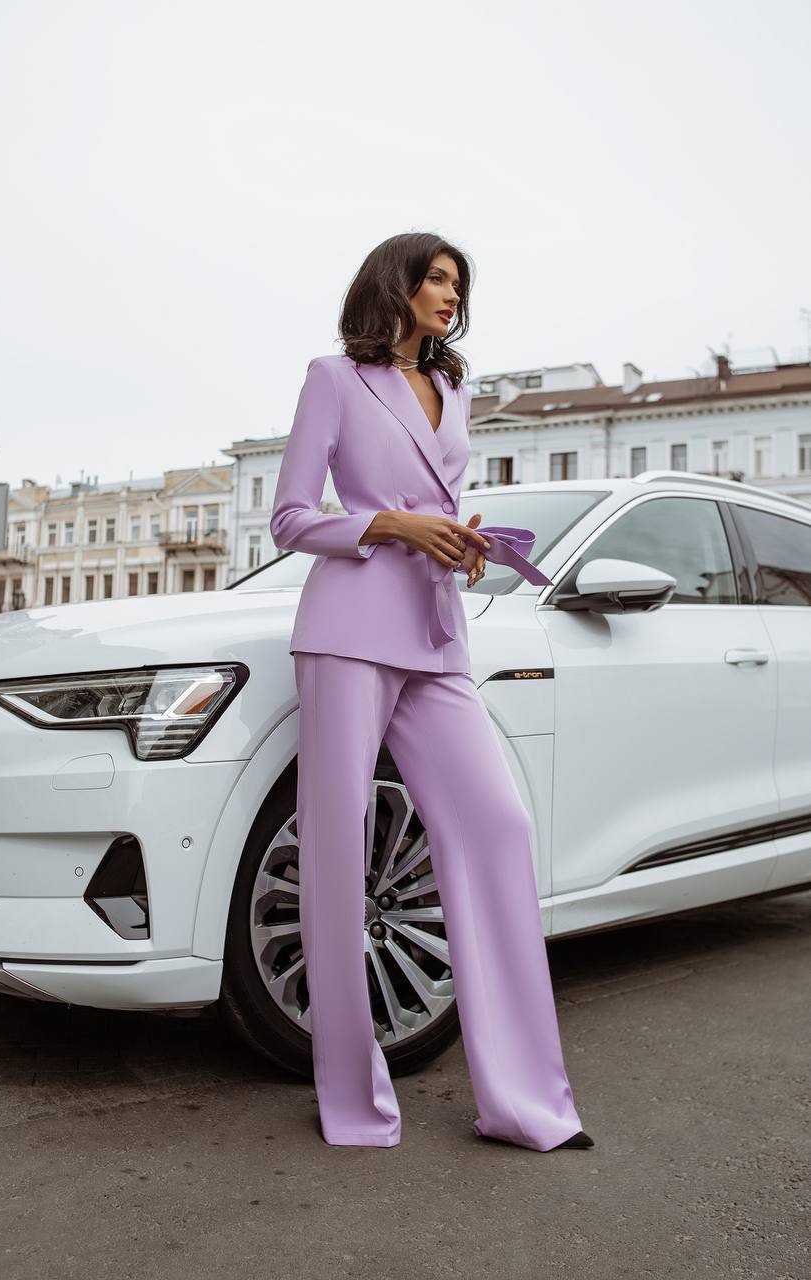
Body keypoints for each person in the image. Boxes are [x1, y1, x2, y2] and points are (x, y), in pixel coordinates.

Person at [269, 230, 594, 1152]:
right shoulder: (333, 379)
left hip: (437, 631)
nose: (450, 293)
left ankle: (527, 1100)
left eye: (459, 282)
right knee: (340, 850)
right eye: (437, 278)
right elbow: (292, 518)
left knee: (497, 826)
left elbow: (439, 505)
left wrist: (462, 537)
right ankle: (354, 1101)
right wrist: (398, 523)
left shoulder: (453, 389)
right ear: (396, 285)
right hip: (347, 632)